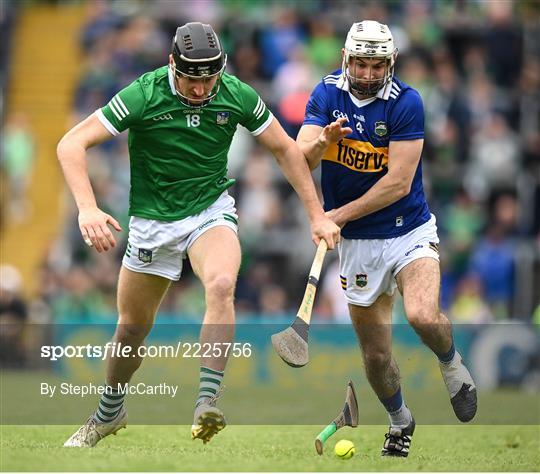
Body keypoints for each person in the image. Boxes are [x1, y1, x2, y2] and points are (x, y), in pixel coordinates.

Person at [58, 22, 340, 448]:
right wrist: (87, 208)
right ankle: (108, 412)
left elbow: (285, 149)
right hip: (152, 221)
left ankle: (207, 400)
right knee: (132, 328)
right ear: (173, 65)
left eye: (210, 77)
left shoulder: (235, 93)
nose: (201, 88)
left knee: (222, 284)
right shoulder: (144, 93)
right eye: (193, 79)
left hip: (210, 210)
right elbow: (70, 144)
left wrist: (316, 215)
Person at [297, 20, 477, 457]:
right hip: (357, 244)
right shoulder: (326, 93)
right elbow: (299, 156)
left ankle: (451, 364)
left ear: (389, 63)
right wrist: (323, 141)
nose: (367, 74)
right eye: (360, 63)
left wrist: (336, 214)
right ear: (346, 58)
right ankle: (400, 422)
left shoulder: (407, 102)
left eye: (376, 65)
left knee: (421, 314)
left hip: (408, 229)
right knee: (376, 358)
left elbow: (398, 183)